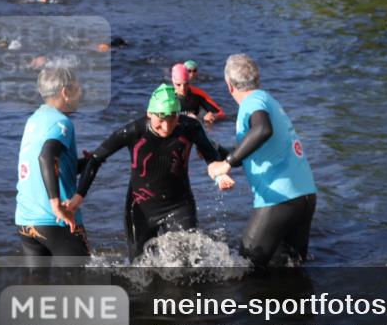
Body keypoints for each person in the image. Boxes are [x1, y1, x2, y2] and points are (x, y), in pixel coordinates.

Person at [75, 84, 233, 260]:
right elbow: (95, 159)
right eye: (161, 119)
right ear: (149, 113)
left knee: (188, 261)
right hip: (141, 209)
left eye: (172, 118)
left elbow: (211, 159)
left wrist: (219, 174)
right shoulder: (133, 131)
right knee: (139, 267)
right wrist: (78, 198)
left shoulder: (191, 127)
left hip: (179, 205)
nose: (166, 127)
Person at [206, 54, 317, 267]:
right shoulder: (267, 99)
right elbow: (256, 147)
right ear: (258, 78)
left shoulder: (252, 102)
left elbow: (263, 130)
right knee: (291, 269)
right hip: (305, 195)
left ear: (229, 85)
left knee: (245, 265)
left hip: (279, 199)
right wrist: (218, 151)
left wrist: (227, 163)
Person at [15, 66, 89, 258]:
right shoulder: (61, 122)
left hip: (26, 221)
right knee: (83, 277)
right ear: (65, 92)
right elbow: (46, 157)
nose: (81, 92)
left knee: (38, 279)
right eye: (77, 88)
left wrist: (87, 163)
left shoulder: (34, 120)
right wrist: (56, 205)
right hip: (55, 220)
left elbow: (47, 166)